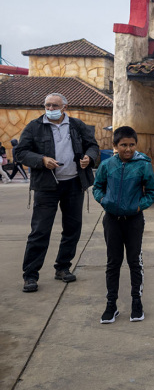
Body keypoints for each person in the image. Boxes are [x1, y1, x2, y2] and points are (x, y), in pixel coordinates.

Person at [16, 92, 99, 293]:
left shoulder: (77, 125)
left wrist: (89, 157)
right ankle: (30, 275)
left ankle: (62, 267)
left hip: (73, 184)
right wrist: (41, 160)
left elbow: (93, 146)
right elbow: (20, 153)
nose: (51, 109)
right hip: (47, 186)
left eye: (55, 106)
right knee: (40, 231)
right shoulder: (35, 126)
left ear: (64, 107)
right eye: (48, 105)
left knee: (72, 229)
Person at [92, 126, 154, 323]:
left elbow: (153, 191)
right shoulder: (107, 165)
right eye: (123, 145)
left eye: (131, 145)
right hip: (111, 220)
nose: (128, 149)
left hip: (134, 221)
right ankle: (111, 304)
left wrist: (139, 207)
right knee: (113, 263)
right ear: (115, 146)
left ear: (136, 145)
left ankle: (136, 302)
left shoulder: (143, 164)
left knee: (134, 262)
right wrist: (104, 200)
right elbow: (97, 187)